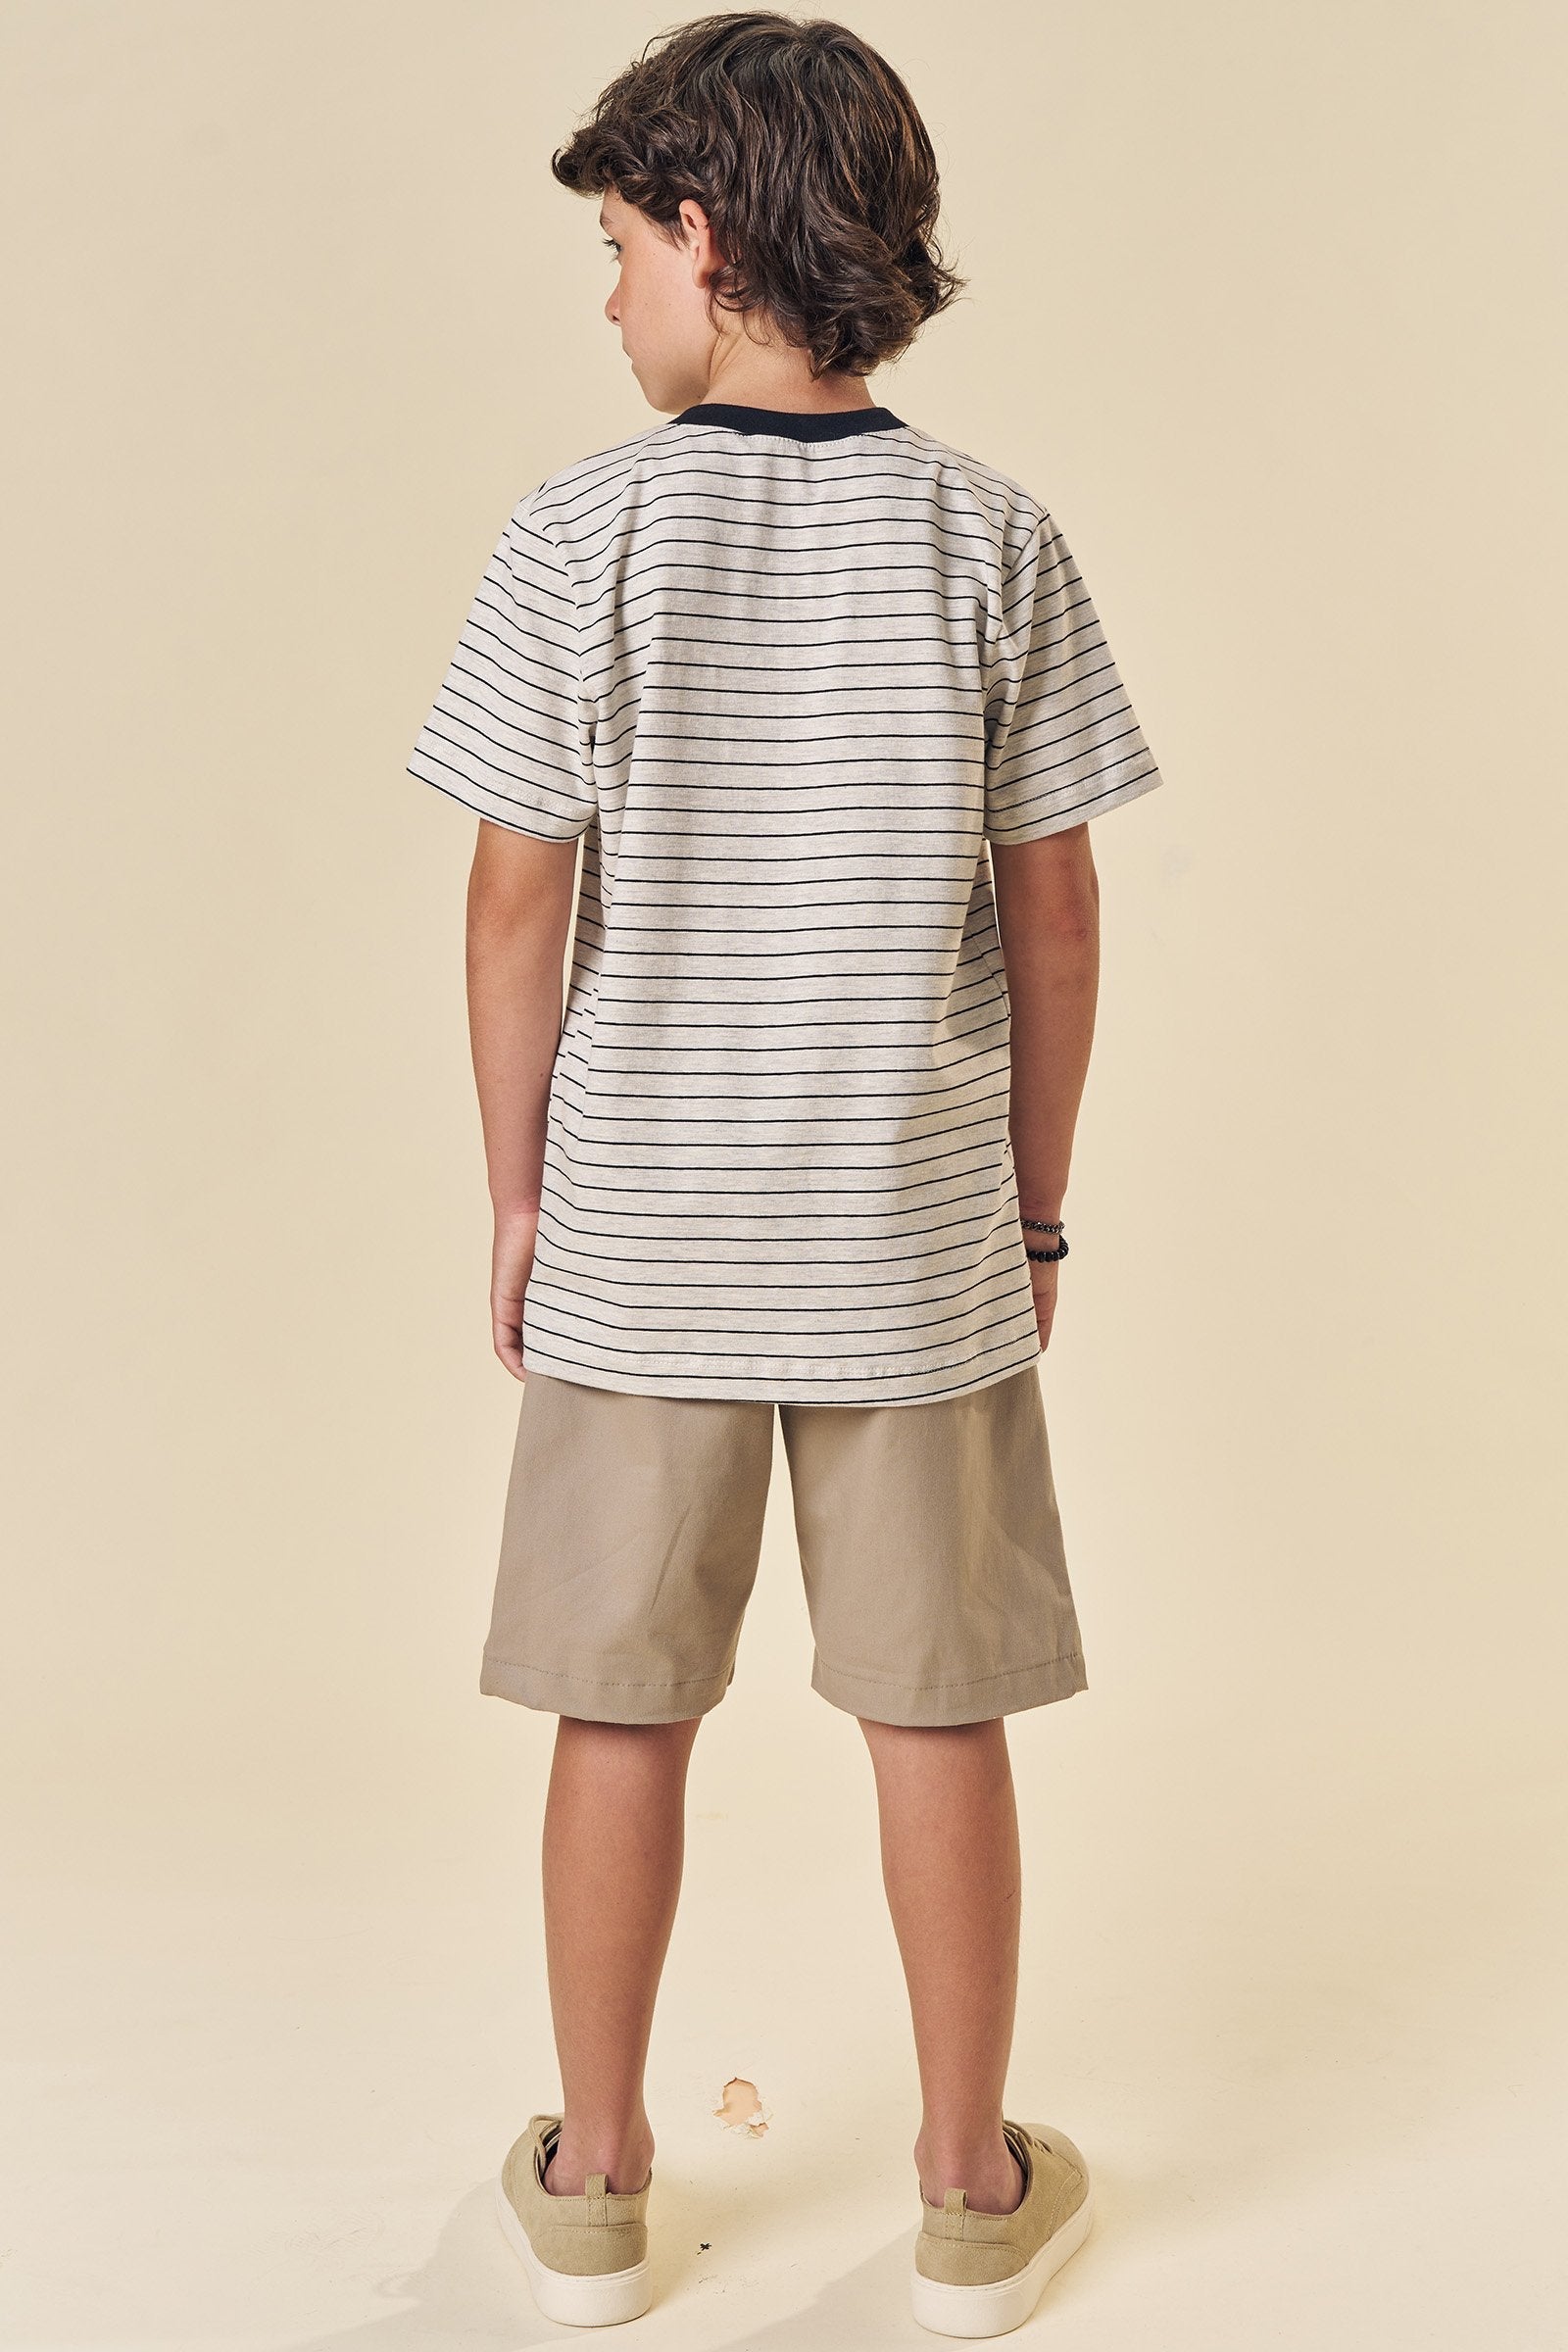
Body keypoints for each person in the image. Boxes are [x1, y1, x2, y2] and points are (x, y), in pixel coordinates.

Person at [406, 12, 1165, 2334]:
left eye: (617, 249)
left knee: (618, 1703)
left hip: (642, 1232)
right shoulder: (990, 534)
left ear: (704, 233)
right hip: (907, 1236)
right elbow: (1054, 908)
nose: (606, 297)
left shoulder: (580, 528)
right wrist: (1029, 1206)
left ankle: (596, 2182)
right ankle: (964, 2190)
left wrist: (518, 1194)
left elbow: (512, 896)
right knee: (935, 1706)